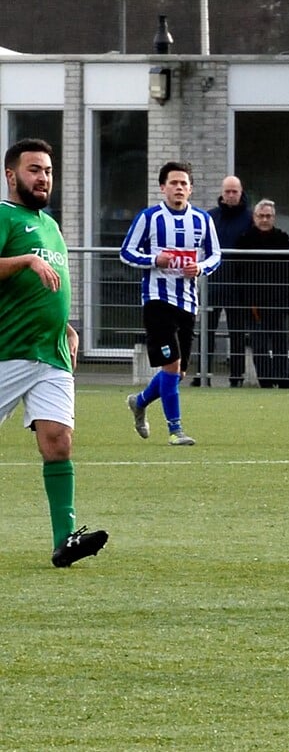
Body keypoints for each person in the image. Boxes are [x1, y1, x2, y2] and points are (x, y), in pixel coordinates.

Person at [2, 138, 108, 567]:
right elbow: (28, 270)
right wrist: (26, 260)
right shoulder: (5, 216)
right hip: (8, 350)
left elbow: (47, 287)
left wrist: (66, 326)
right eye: (34, 170)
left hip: (51, 353)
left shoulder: (51, 224)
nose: (43, 177)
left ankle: (65, 539)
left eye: (47, 170)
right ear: (12, 175)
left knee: (58, 442)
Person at [123, 162, 222, 445]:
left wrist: (200, 267)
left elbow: (216, 256)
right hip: (157, 300)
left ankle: (140, 401)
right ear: (163, 187)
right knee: (170, 364)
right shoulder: (150, 217)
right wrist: (155, 260)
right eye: (173, 183)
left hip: (188, 302)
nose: (179, 188)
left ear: (191, 189)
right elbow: (126, 252)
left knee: (177, 373)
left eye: (183, 184)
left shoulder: (203, 220)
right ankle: (175, 430)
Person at [231, 199, 289, 388]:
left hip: (277, 302)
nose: (265, 219)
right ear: (254, 217)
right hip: (253, 303)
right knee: (259, 345)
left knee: (280, 344)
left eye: (268, 216)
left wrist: (287, 300)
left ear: (274, 218)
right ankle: (266, 381)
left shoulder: (282, 239)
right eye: (261, 216)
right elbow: (237, 272)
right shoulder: (244, 240)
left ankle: (284, 379)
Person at [205, 175, 252, 387]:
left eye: (235, 191)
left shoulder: (250, 218)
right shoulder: (210, 218)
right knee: (207, 331)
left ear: (241, 192)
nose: (231, 195)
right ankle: (202, 374)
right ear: (222, 193)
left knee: (237, 333)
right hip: (212, 283)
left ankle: (237, 377)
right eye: (227, 191)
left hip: (238, 284)